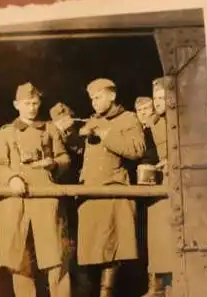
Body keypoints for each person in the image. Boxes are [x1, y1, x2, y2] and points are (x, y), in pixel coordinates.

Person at [0, 82, 71, 297]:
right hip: (16, 202)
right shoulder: (7, 133)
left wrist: (53, 164)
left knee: (56, 259)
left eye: (35, 103)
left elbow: (64, 158)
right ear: (16, 105)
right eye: (27, 103)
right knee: (19, 260)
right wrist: (11, 179)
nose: (32, 108)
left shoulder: (49, 129)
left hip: (45, 200)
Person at [76, 78, 147, 297]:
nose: (94, 103)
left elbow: (137, 149)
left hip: (113, 194)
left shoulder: (128, 119)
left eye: (98, 98)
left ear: (112, 96)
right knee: (90, 254)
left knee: (112, 253)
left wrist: (106, 134)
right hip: (90, 195)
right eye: (92, 99)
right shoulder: (92, 121)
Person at [134, 78, 176, 297]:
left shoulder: (179, 119)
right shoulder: (152, 123)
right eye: (156, 98)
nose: (159, 102)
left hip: (178, 182)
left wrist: (172, 160)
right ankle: (157, 284)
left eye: (162, 97)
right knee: (157, 234)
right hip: (159, 182)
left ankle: (171, 285)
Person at [49, 102, 91, 297]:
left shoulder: (82, 139)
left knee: (80, 256)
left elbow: (84, 155)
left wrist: (72, 137)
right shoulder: (48, 138)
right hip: (56, 204)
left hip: (79, 204)